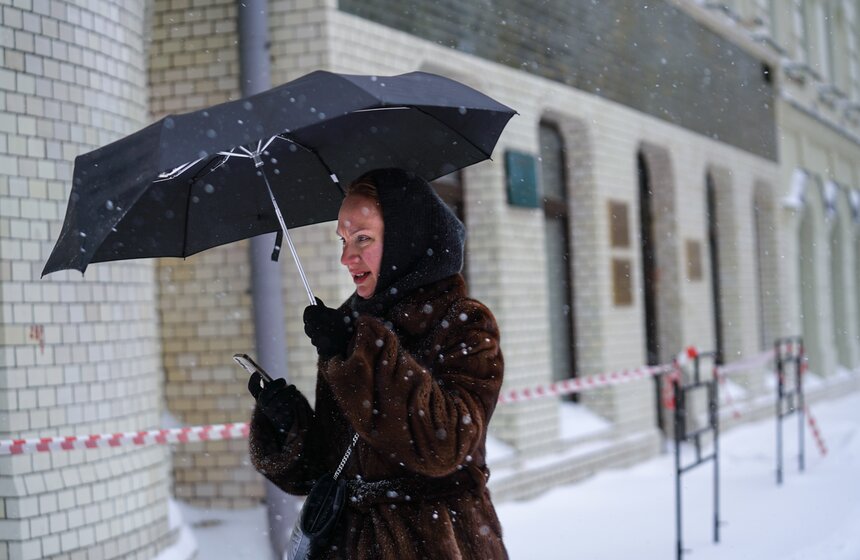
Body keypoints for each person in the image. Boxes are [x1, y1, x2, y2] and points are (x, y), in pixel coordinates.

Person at [248, 168, 508, 559]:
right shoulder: (353, 326)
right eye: (343, 239)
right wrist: (288, 423)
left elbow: (444, 444)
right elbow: (328, 468)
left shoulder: (463, 323)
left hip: (438, 543)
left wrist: (357, 352)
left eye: (362, 238)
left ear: (407, 239)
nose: (346, 257)